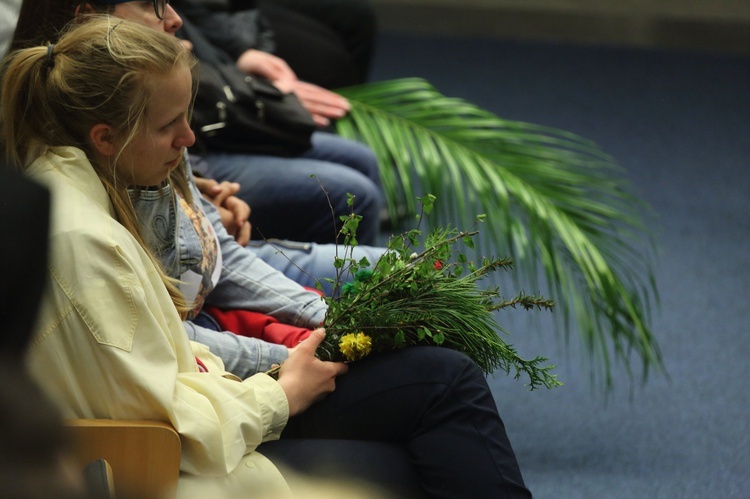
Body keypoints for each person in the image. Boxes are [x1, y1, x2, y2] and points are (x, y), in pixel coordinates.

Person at [2, 16, 531, 498]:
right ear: (105, 137)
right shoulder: (87, 243)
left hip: (221, 409)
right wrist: (283, 385)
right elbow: (168, 425)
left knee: (438, 376)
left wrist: (319, 328)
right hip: (189, 460)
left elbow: (193, 316)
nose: (188, 138)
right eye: (170, 127)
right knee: (416, 436)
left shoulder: (114, 173)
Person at [6, 0, 388, 292]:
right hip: (205, 298)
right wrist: (295, 345)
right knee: (362, 213)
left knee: (392, 268)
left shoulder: (144, 127)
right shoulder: (73, 179)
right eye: (149, 4)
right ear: (87, 16)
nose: (174, 18)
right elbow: (178, 332)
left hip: (212, 266)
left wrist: (198, 192)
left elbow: (217, 252)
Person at [181, 0, 376, 90]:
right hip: (205, 19)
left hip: (233, 7)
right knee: (331, 64)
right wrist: (238, 51)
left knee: (355, 16)